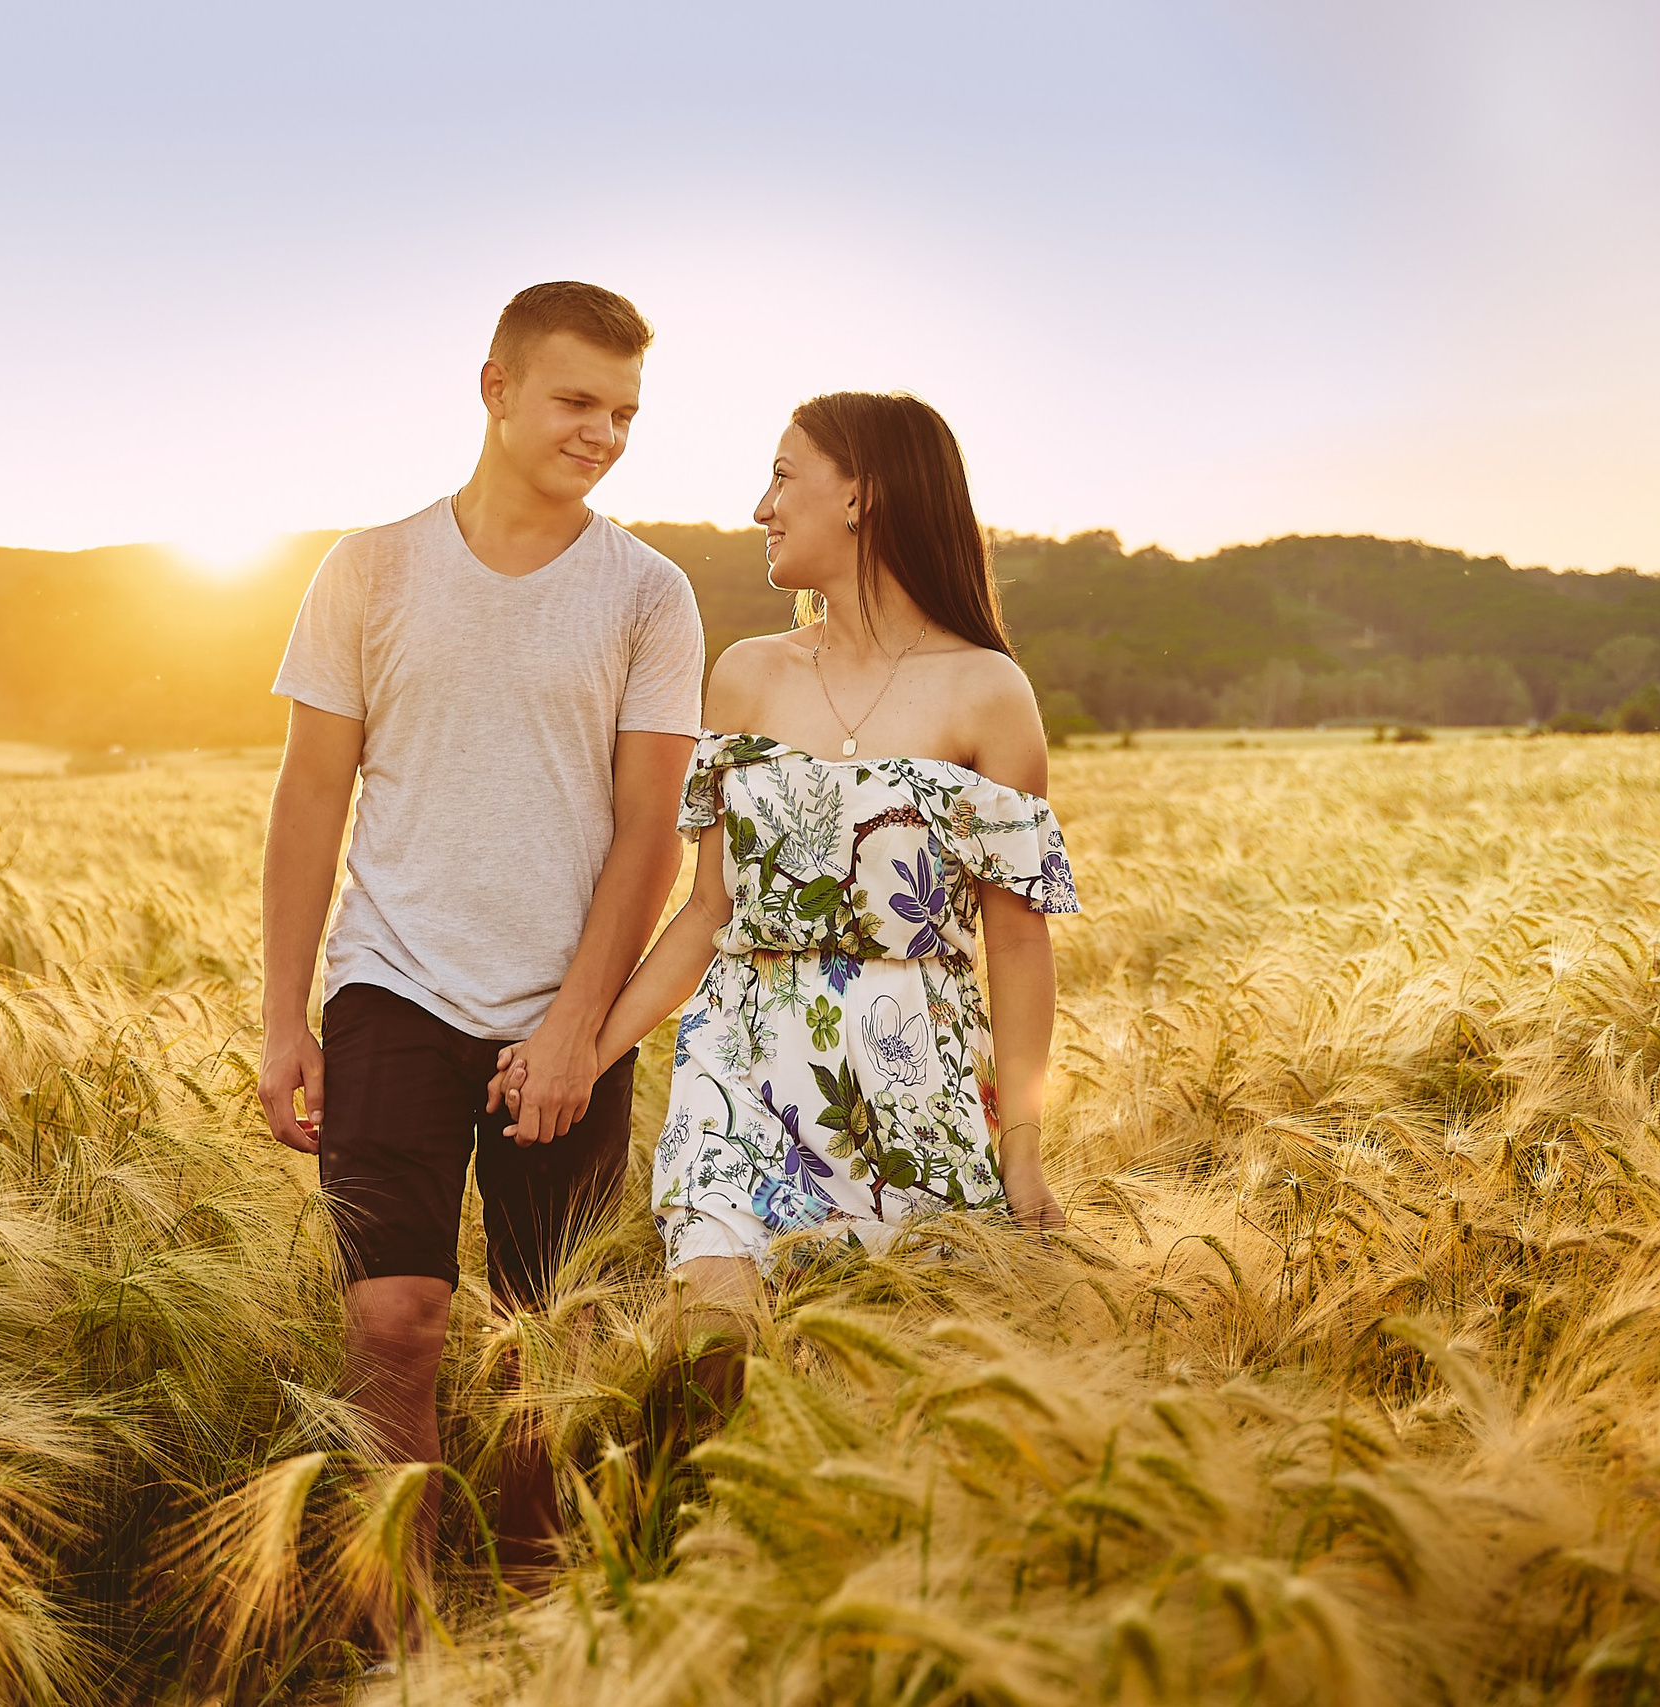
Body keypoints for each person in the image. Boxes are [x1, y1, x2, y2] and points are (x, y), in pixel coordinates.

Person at [256, 281, 706, 1575]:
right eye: (577, 400)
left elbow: (650, 833)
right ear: (497, 387)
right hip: (393, 983)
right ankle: (398, 1609)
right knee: (395, 1320)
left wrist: (576, 1029)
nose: (603, 432)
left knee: (542, 1342)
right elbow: (309, 796)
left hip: (566, 1006)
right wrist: (287, 1015)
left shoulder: (649, 594)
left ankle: (527, 1602)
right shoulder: (370, 566)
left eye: (624, 411)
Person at [495, 391, 1074, 1304]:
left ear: (861, 496)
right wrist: (581, 1056)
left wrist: (1025, 1154)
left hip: (912, 1094)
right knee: (710, 1340)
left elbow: (1017, 942)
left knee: (884, 1384)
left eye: (781, 476)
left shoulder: (988, 692)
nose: (761, 506)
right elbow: (706, 915)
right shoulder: (747, 674)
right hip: (740, 1078)